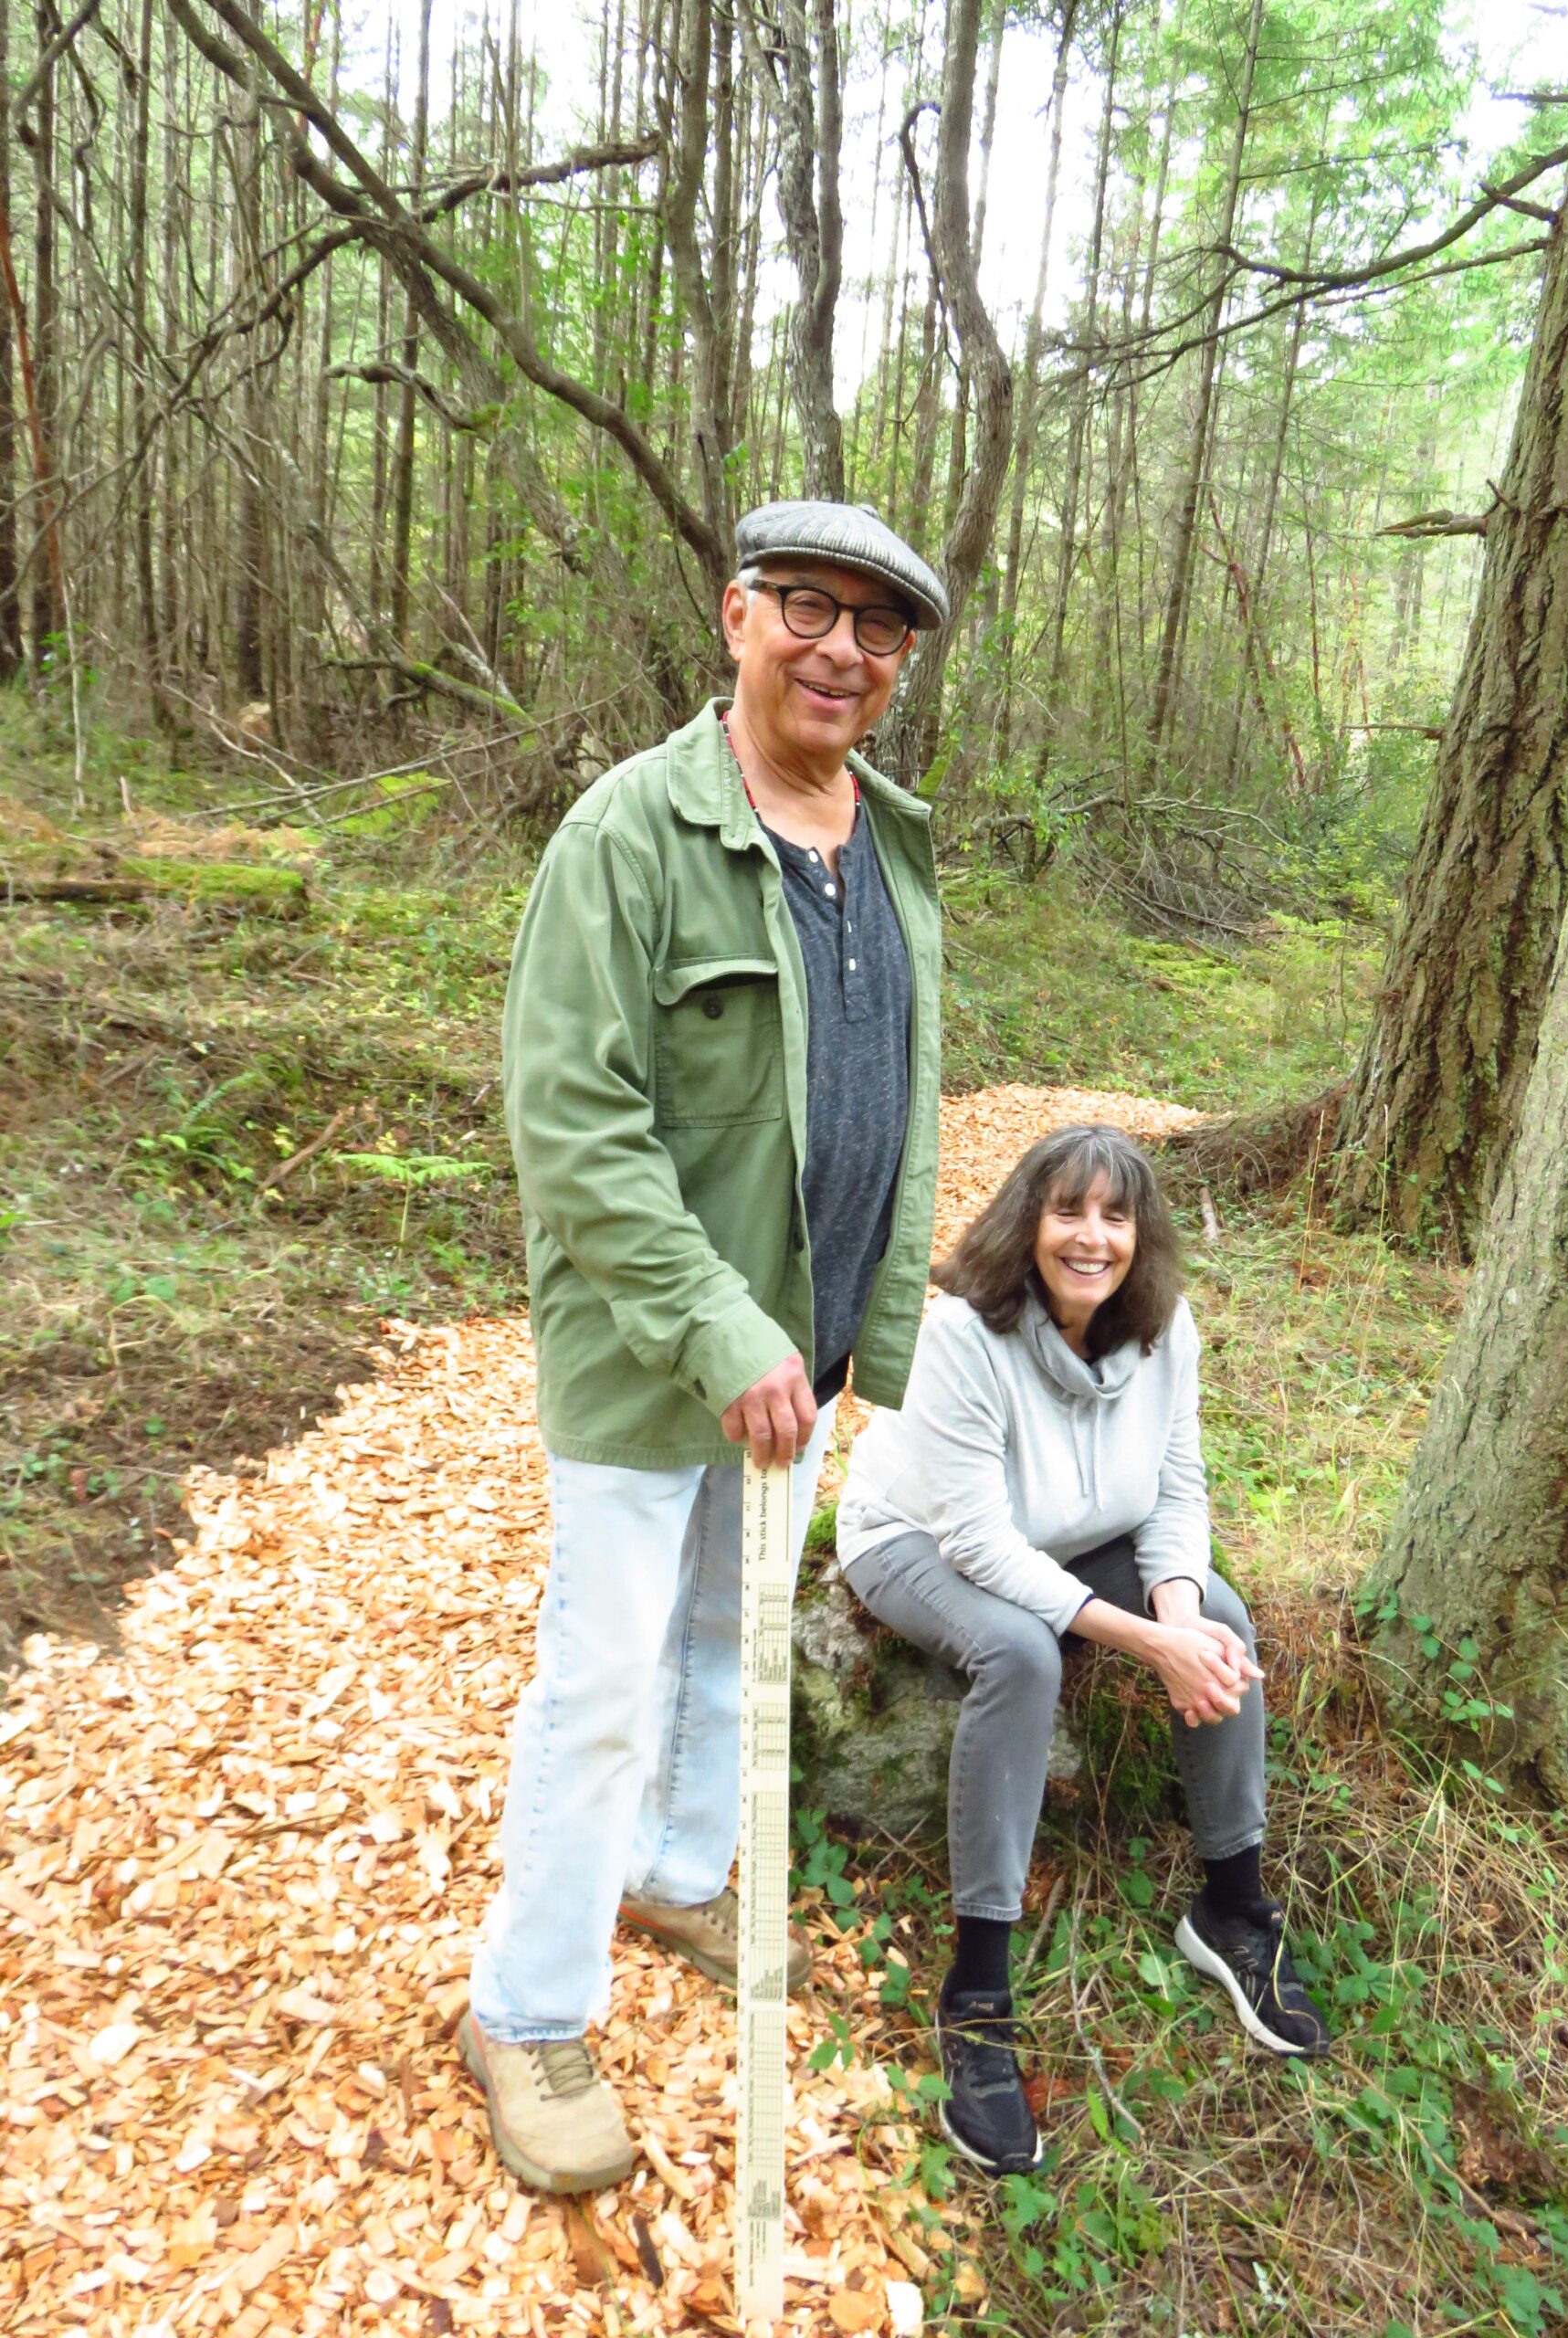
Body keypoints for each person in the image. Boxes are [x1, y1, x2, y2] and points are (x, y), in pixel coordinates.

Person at [461, 501, 948, 2195]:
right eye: (809, 608)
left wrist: (858, 1328)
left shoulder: (889, 843)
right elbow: (573, 1121)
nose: (841, 649)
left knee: (730, 1652)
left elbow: (901, 1097)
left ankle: (680, 1871)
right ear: (736, 616)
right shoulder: (629, 833)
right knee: (603, 1677)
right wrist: (718, 1320)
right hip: (652, 1353)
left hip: (796, 1364)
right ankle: (525, 2008)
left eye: (879, 630)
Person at [837, 1124, 1331, 2175]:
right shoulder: (964, 1333)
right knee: (1023, 1654)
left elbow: (1177, 1490)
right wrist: (1143, 1640)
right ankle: (978, 1993)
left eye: (1116, 1214)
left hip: (1074, 1531)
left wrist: (1180, 1612)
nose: (1092, 1236)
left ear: (1141, 1235)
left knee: (1224, 1623)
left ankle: (1232, 1906)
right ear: (1030, 1219)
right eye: (1069, 1210)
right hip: (917, 1536)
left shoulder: (1164, 1330)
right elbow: (976, 1541)